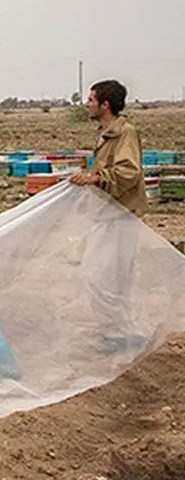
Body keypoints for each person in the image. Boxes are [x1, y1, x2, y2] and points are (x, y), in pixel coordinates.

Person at [69, 79, 149, 354]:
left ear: (105, 105)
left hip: (120, 216)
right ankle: (118, 331)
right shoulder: (107, 133)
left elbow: (129, 173)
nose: (87, 104)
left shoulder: (124, 133)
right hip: (108, 213)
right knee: (111, 277)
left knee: (99, 276)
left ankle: (119, 332)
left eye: (91, 100)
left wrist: (95, 179)